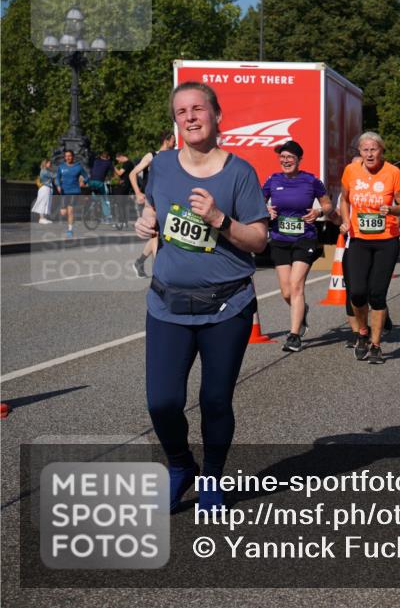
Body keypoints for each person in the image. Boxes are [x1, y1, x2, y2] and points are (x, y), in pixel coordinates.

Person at [134, 81, 269, 513]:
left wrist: (218, 218)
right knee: (163, 401)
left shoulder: (239, 172)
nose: (190, 117)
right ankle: (179, 465)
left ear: (216, 115)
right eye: (181, 111)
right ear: (175, 121)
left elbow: (259, 241)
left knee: (214, 399)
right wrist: (146, 223)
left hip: (226, 306)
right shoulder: (164, 166)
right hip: (168, 304)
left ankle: (212, 474)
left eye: (198, 109)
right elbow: (156, 213)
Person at [339, 132, 400, 364]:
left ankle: (376, 345)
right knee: (357, 292)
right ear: (359, 152)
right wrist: (345, 220)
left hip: (386, 240)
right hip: (359, 238)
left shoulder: (393, 173)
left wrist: (392, 210)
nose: (369, 154)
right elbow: (344, 199)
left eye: (374, 149)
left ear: (381, 151)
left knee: (377, 294)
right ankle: (362, 332)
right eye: (365, 149)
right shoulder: (351, 171)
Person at [262, 140, 334, 353]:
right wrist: (265, 210)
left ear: (299, 159)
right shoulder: (272, 180)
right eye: (282, 157)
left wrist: (319, 212)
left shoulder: (311, 181)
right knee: (285, 291)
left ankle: (294, 335)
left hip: (305, 238)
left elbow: (328, 204)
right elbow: (257, 200)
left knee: (295, 285)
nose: (285, 161)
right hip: (280, 238)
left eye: (290, 157)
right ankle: (301, 313)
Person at [131, 131, 177, 277]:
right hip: (151, 202)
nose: (175, 143)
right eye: (173, 140)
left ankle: (140, 261)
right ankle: (159, 271)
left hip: (167, 201)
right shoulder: (152, 156)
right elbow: (132, 173)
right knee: (155, 233)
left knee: (161, 235)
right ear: (166, 140)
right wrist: (138, 193)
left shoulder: (174, 157)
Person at [55, 149, 85, 237]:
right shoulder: (61, 167)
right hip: (64, 191)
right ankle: (70, 221)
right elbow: (57, 178)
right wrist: (58, 185)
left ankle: (70, 229)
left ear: (73, 157)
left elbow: (86, 176)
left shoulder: (78, 167)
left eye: (69, 156)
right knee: (64, 212)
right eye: (66, 156)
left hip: (75, 191)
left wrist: (84, 182)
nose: (68, 158)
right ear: (64, 157)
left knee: (70, 210)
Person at [89, 150, 114, 222]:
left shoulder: (96, 161)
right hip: (99, 182)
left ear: (101, 156)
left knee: (95, 198)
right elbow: (112, 173)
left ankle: (92, 210)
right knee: (104, 199)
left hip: (91, 182)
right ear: (108, 157)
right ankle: (108, 217)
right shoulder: (108, 162)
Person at [31, 159, 56, 224]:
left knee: (46, 203)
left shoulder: (46, 171)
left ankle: (43, 218)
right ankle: (41, 218)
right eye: (48, 163)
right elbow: (54, 175)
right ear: (45, 164)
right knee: (43, 203)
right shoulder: (44, 171)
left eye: (50, 163)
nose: (50, 164)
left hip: (47, 188)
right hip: (44, 188)